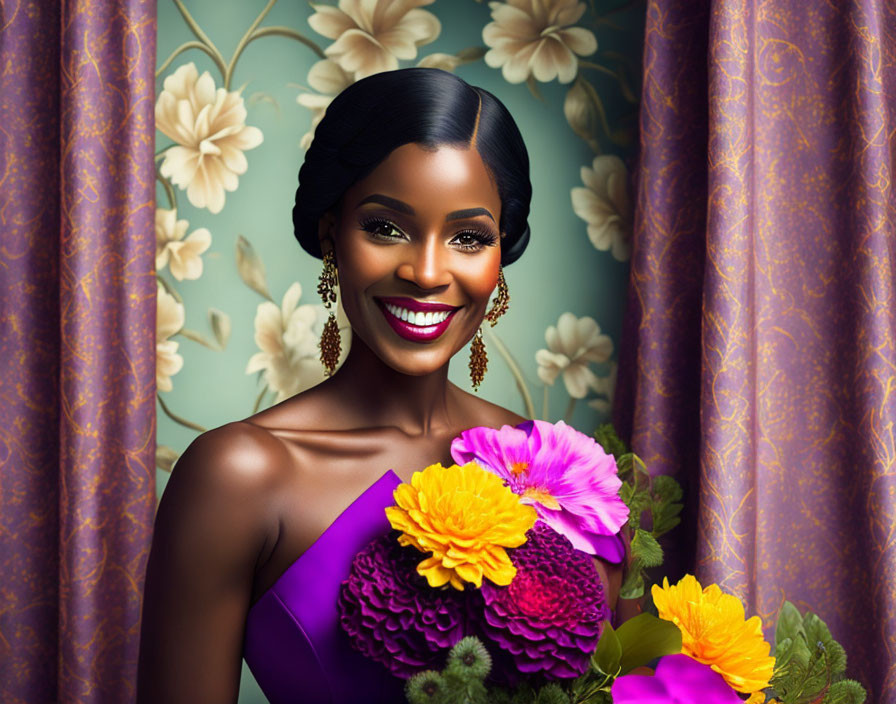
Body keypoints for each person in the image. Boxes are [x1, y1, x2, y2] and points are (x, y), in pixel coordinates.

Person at [137, 67, 627, 704]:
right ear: (330, 235)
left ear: (499, 256)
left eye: (468, 237)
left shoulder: (560, 474)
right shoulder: (240, 475)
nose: (426, 272)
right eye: (385, 227)